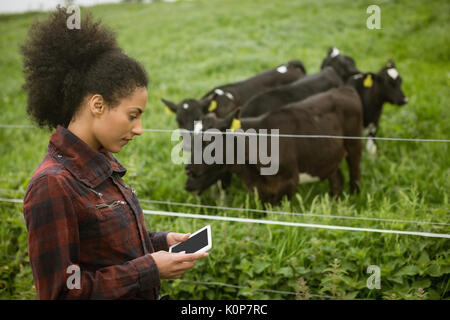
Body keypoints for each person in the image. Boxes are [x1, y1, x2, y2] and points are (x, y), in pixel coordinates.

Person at [21, 7, 208, 300]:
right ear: (98, 105)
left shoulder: (103, 163)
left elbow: (106, 247)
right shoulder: (52, 186)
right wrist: (150, 269)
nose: (139, 129)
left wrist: (160, 243)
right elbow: (61, 293)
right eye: (132, 116)